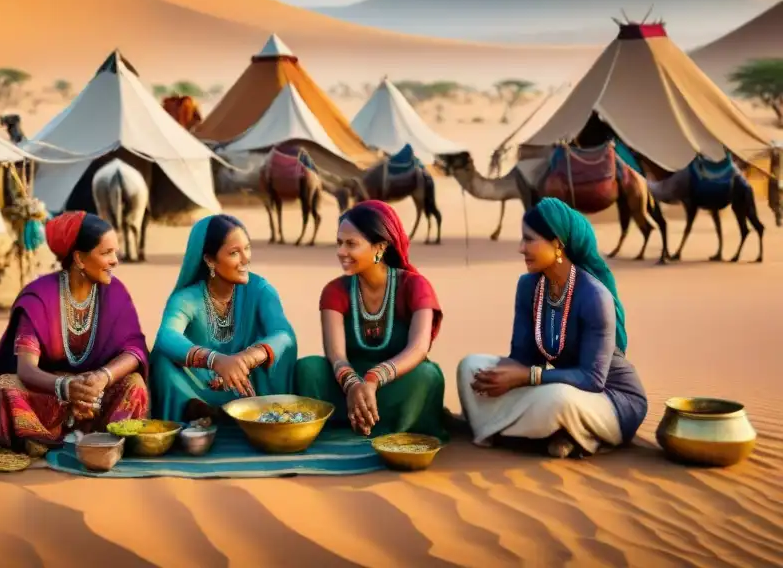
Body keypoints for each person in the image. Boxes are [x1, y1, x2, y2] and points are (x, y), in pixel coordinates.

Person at [456, 197, 648, 459]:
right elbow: (524, 359)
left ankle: (539, 434)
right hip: (558, 387)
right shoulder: (529, 287)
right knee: (471, 367)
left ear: (557, 244)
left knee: (557, 400)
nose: (521, 249)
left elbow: (592, 379)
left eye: (529, 239)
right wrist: (505, 375)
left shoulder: (594, 297)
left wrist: (526, 377)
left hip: (610, 399)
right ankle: (549, 434)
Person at [0, 211, 150, 470]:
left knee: (135, 385)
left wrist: (102, 377)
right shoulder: (40, 297)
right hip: (49, 394)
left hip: (97, 395)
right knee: (4, 388)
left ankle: (105, 438)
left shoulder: (116, 292)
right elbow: (26, 368)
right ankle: (38, 439)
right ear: (79, 258)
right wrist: (66, 387)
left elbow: (134, 350)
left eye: (116, 253)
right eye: (106, 253)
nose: (114, 261)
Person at [295, 200, 448, 439]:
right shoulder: (335, 290)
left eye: (351, 244)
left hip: (396, 381)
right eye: (339, 243)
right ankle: (355, 416)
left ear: (379, 248)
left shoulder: (415, 286)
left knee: (426, 377)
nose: (341, 251)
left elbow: (418, 348)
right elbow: (336, 355)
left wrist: (373, 379)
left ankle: (386, 425)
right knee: (308, 369)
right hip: (347, 383)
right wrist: (354, 384)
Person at [150, 214, 298, 422]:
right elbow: (167, 335)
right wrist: (215, 360)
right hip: (200, 385)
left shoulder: (261, 290)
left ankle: (249, 411)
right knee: (163, 358)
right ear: (210, 260)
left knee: (276, 352)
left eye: (247, 248)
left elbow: (283, 334)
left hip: (246, 382)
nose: (246, 259)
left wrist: (246, 358)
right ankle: (198, 412)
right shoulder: (187, 299)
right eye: (234, 252)